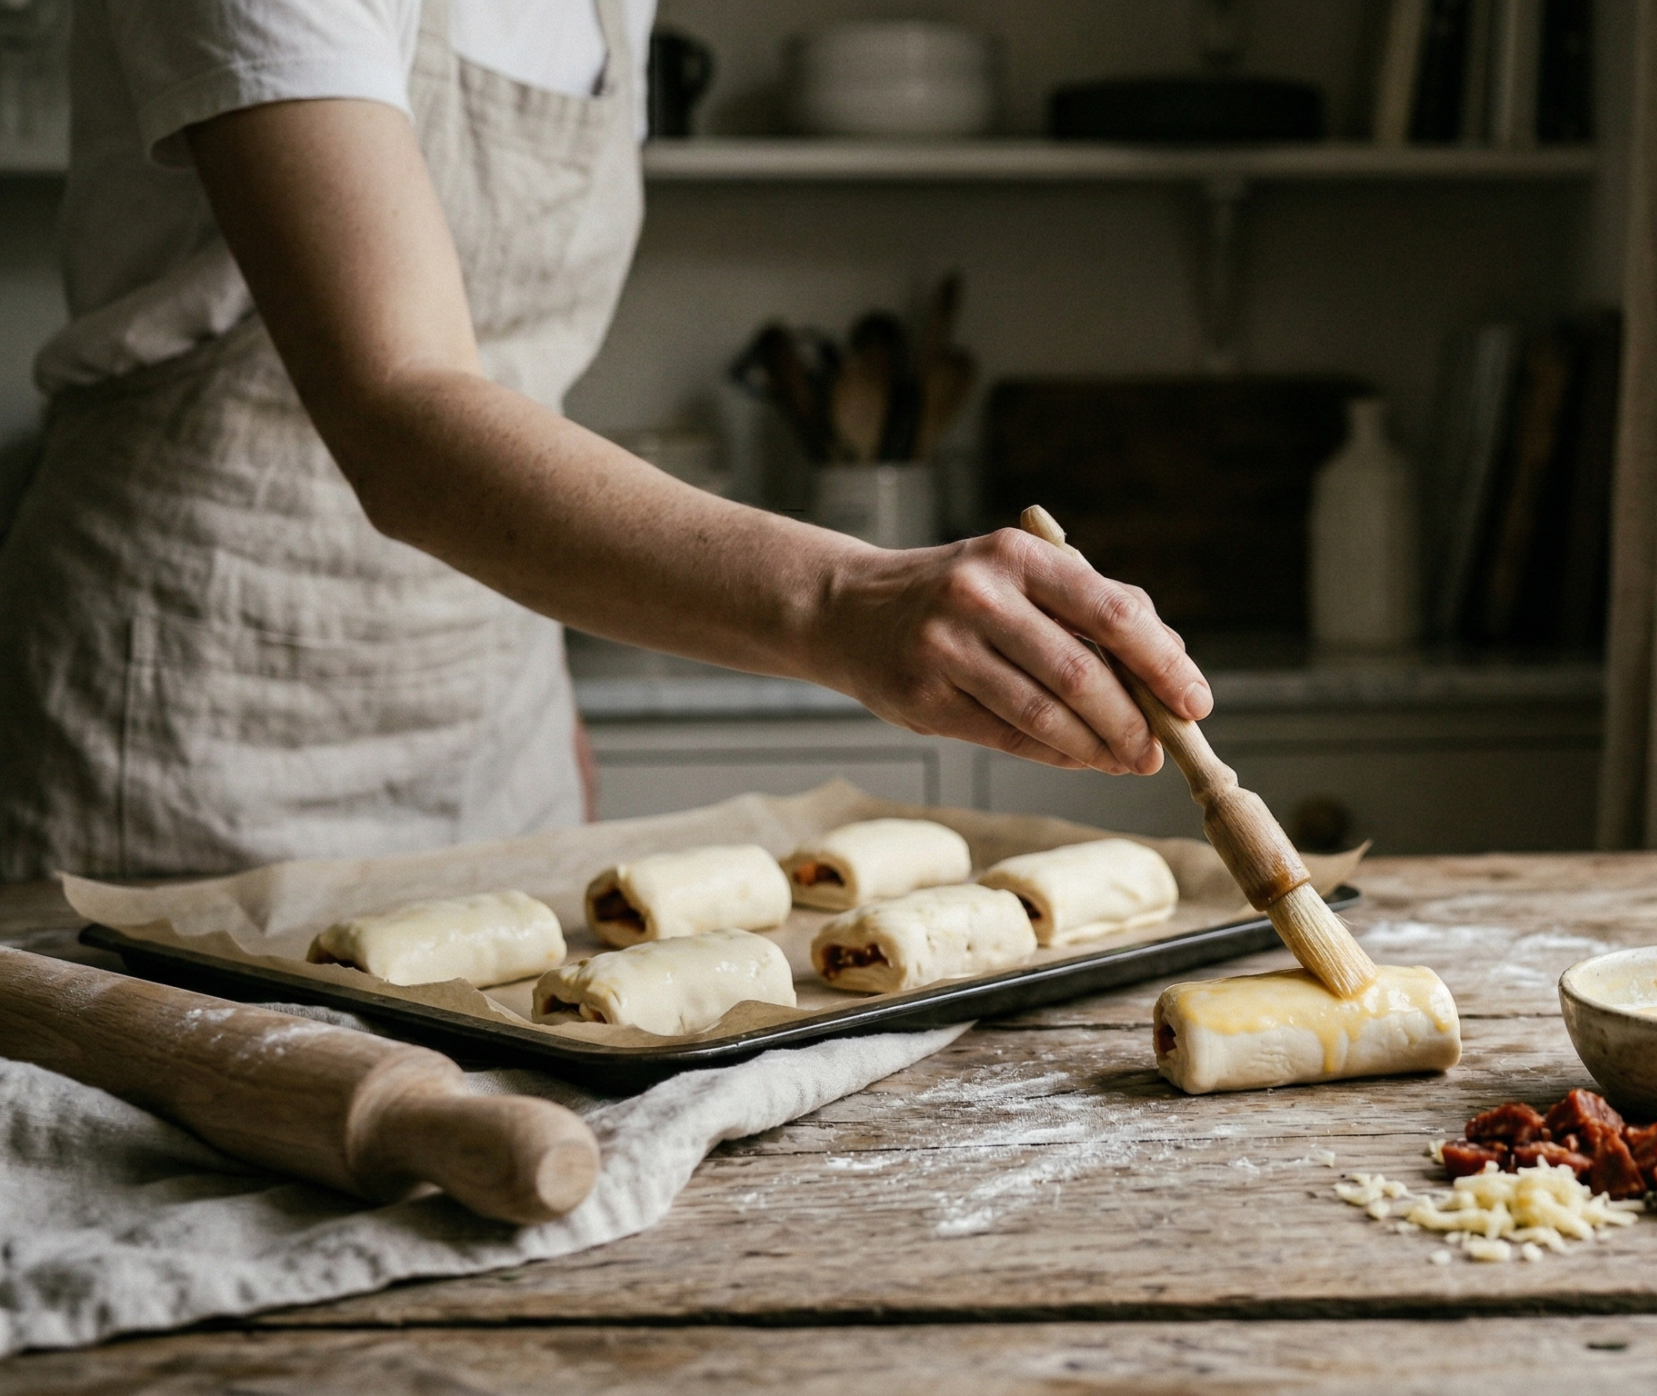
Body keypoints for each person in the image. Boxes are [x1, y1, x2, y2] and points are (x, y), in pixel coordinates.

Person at [0, 0, 1207, 880]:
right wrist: (853, 595)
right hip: (189, 709)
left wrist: (552, 698)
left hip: (494, 719)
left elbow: (512, 371)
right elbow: (403, 409)